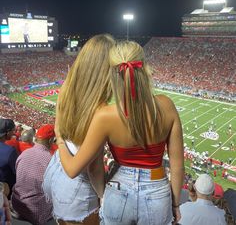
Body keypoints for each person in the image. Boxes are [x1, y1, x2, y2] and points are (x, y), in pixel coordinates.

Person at [56, 40, 184, 225]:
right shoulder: (167, 105)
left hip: (118, 190)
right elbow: (177, 166)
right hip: (157, 190)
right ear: (145, 67)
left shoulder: (105, 116)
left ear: (113, 74)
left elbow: (76, 168)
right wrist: (175, 204)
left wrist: (60, 139)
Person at [43, 34, 115, 225]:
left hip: (55, 170)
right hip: (75, 185)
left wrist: (60, 137)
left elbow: (61, 127)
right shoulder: (100, 110)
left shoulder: (67, 88)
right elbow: (89, 167)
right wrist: (104, 196)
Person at [11, 124, 55, 225]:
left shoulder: (25, 153)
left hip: (17, 202)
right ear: (50, 140)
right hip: (36, 210)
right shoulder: (50, 160)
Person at [0, 118, 18, 196]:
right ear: (7, 132)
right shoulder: (10, 151)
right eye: (12, 131)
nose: (13, 133)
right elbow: (17, 172)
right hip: (4, 190)